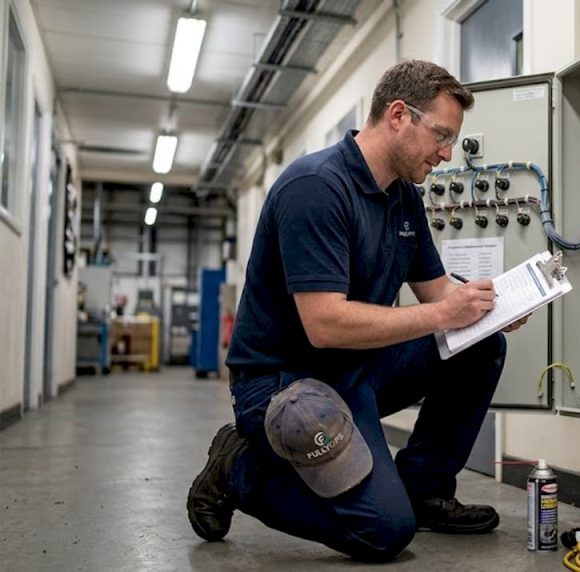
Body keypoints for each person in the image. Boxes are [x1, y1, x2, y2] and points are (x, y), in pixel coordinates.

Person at [186, 59, 528, 561]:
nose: (447, 153)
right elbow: (324, 325)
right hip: (284, 383)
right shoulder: (316, 188)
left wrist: (491, 307)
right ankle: (238, 469)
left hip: (356, 367)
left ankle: (425, 489)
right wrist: (444, 315)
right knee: (383, 532)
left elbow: (437, 292)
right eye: (440, 135)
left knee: (481, 345)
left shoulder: (404, 200)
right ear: (397, 115)